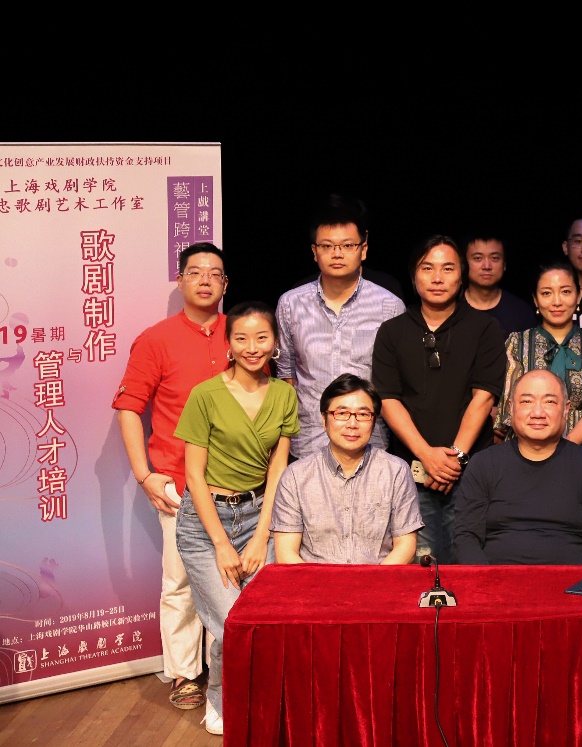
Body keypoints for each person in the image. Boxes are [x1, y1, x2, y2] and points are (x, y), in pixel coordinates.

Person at [112, 242, 229, 713]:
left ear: (226, 284)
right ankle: (184, 674)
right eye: (195, 272)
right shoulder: (155, 339)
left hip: (238, 486)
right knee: (180, 582)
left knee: (232, 581)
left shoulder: (243, 333)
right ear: (180, 281)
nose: (205, 280)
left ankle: (227, 670)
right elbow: (128, 407)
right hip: (178, 484)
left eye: (215, 273)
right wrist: (145, 475)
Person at [174, 302, 300, 735]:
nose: (252, 347)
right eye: (242, 338)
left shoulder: (284, 394)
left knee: (263, 617)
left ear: (275, 343)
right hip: (205, 522)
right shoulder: (205, 394)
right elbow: (193, 474)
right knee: (230, 623)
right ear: (228, 344)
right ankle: (220, 698)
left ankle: (266, 702)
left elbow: (278, 468)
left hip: (258, 516)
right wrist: (222, 544)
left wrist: (262, 534)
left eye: (261, 337)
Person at [371, 235, 506, 564]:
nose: (437, 277)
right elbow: (388, 399)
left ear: (461, 276)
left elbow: (483, 398)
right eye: (427, 268)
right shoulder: (392, 332)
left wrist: (454, 459)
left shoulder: (485, 328)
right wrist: (426, 456)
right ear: (413, 275)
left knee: (470, 565)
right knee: (422, 568)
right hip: (412, 471)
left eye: (448, 268)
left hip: (471, 471)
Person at [275, 195, 405, 462]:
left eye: (347, 245)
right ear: (314, 251)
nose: (337, 254)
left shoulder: (390, 306)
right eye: (327, 246)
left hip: (371, 443)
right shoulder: (290, 304)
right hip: (308, 442)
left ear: (363, 249)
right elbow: (287, 377)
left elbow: (398, 383)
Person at [453, 370, 582, 564]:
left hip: (571, 580)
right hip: (497, 578)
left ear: (566, 409)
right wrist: (490, 581)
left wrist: (578, 582)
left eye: (549, 402)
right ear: (511, 408)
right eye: (527, 401)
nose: (538, 413)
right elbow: (466, 538)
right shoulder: (484, 464)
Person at [270, 374, 421, 565]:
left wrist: (373, 581)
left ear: (374, 421)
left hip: (379, 579)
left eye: (363, 415)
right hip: (315, 582)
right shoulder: (296, 476)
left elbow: (406, 545)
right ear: (324, 420)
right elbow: (286, 554)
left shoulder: (396, 471)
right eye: (341, 413)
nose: (352, 424)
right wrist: (325, 584)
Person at [497, 261, 582, 460]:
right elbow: (512, 404)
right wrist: (541, 450)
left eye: (565, 292)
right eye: (546, 293)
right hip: (526, 451)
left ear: (578, 296)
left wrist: (564, 448)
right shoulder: (517, 343)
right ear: (535, 299)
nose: (557, 301)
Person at [463, 233, 537, 338]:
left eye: (494, 258)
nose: (487, 266)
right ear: (464, 263)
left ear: (504, 264)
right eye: (478, 258)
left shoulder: (522, 312)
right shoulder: (450, 308)